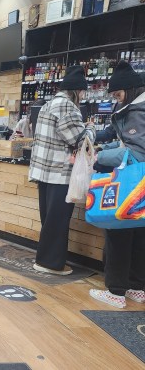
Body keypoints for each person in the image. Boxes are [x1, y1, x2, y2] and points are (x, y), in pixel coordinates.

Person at [29, 65, 95, 276]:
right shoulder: (67, 107)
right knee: (57, 221)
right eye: (83, 92)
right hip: (59, 172)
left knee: (49, 219)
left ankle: (47, 259)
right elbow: (80, 141)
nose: (83, 96)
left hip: (44, 171)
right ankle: (50, 263)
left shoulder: (49, 104)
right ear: (76, 90)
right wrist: (91, 128)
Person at [89, 60, 145, 308]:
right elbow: (126, 146)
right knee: (138, 233)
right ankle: (136, 287)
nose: (117, 99)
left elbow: (137, 153)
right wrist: (106, 148)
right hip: (140, 187)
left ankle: (116, 292)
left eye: (118, 94)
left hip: (131, 183)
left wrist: (99, 157)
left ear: (130, 89)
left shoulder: (137, 112)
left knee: (118, 232)